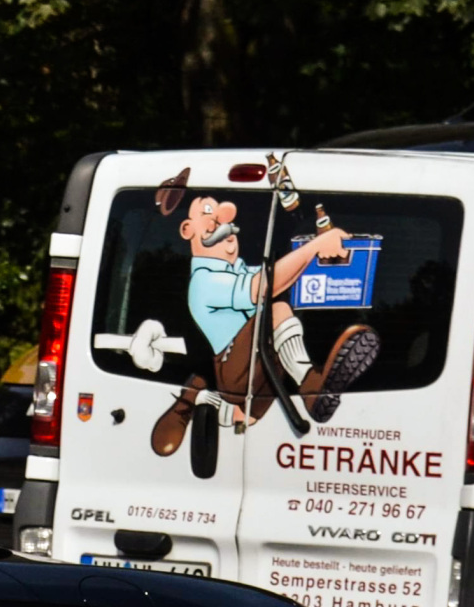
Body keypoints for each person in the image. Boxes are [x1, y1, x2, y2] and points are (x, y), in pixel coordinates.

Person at [147, 171, 381, 457]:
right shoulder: (204, 281)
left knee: (246, 415)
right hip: (236, 372)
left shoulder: (241, 269)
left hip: (261, 384)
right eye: (208, 212)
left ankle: (201, 404)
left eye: (225, 216)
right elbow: (263, 287)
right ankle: (309, 384)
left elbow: (281, 275)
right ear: (187, 230)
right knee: (276, 309)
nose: (222, 218)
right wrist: (316, 246)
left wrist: (326, 259)